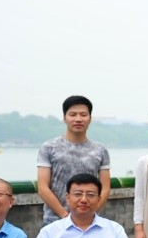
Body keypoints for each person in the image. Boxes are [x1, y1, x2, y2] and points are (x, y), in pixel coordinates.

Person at [36, 95, 110, 225]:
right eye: (73, 114)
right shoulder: (49, 147)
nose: (78, 119)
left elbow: (105, 188)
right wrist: (65, 216)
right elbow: (43, 187)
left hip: (89, 222)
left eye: (83, 115)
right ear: (64, 118)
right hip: (54, 220)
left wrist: (89, 214)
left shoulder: (100, 150)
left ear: (90, 118)